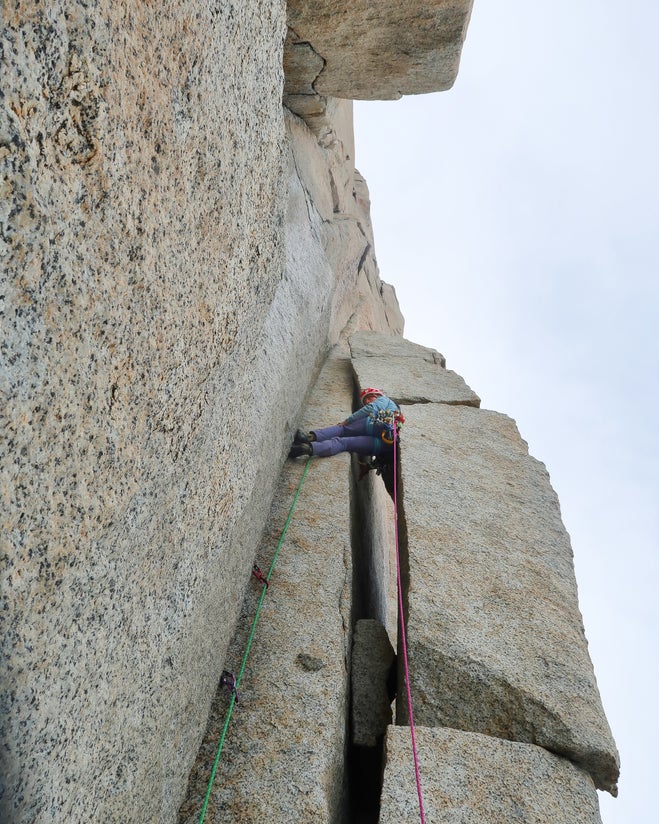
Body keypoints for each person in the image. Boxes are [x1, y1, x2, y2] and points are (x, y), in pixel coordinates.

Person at [289, 387, 403, 459]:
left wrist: (347, 421)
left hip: (375, 427)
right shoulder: (395, 412)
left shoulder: (384, 399)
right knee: (345, 443)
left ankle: (309, 439)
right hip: (382, 444)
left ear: (377, 395)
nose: (367, 402)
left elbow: (371, 408)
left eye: (369, 398)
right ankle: (307, 448)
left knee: (343, 430)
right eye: (365, 401)